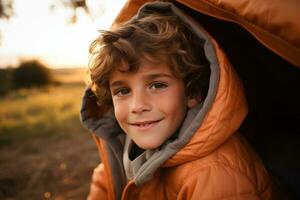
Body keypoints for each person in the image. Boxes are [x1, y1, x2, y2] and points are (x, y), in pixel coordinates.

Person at [80, 2, 277, 199]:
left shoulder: (213, 175)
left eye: (157, 85)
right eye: (123, 91)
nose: (137, 106)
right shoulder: (121, 154)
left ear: (192, 93)